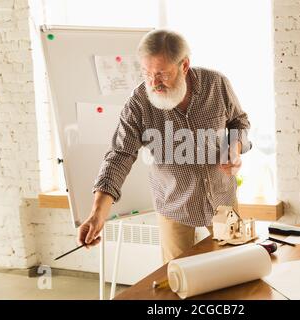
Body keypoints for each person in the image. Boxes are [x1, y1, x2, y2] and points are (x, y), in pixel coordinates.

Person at [77, 29, 252, 263]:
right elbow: (119, 155)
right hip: (174, 206)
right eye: (146, 73)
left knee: (235, 268)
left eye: (161, 74)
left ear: (184, 65)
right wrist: (97, 214)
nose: (153, 83)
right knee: (179, 279)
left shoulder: (216, 84)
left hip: (223, 198)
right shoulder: (138, 103)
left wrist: (234, 146)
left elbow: (239, 121)